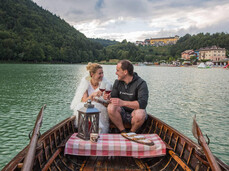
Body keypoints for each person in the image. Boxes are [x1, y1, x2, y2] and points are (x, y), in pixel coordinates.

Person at [106, 60, 149, 133]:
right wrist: (108, 98)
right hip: (121, 113)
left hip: (135, 113)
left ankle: (131, 133)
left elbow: (142, 104)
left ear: (125, 72)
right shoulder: (117, 82)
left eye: (117, 70)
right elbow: (113, 99)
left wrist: (123, 103)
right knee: (110, 107)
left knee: (140, 114)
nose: (116, 73)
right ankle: (123, 131)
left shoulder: (141, 83)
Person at [70, 63, 110, 133]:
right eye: (99, 73)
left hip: (101, 107)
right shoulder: (86, 83)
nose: (102, 75)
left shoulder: (105, 83)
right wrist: (92, 95)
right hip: (89, 105)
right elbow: (84, 100)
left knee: (95, 108)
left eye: (102, 73)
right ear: (92, 74)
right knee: (81, 107)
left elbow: (107, 102)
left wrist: (103, 98)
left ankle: (97, 130)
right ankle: (85, 131)